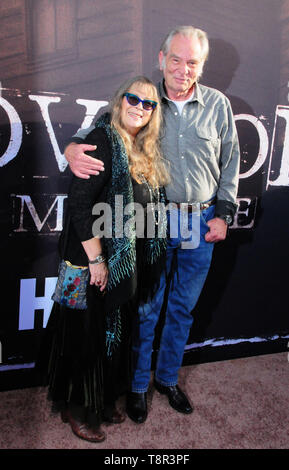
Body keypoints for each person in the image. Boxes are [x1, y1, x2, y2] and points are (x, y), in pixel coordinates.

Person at [64, 26, 240, 424]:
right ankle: (138, 386)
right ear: (161, 59)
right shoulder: (141, 98)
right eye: (175, 60)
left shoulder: (218, 105)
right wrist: (71, 147)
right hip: (153, 222)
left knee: (183, 310)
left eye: (192, 62)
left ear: (202, 66)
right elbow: (93, 132)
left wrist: (224, 213)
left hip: (200, 222)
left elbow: (230, 160)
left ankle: (167, 379)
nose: (182, 69)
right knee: (146, 308)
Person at [37, 75, 168, 442]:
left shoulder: (141, 149)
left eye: (148, 104)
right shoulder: (99, 140)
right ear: (119, 99)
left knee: (112, 335)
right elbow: (79, 206)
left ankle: (102, 397)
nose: (139, 107)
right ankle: (77, 409)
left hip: (121, 262)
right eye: (133, 99)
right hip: (87, 260)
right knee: (86, 337)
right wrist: (97, 261)